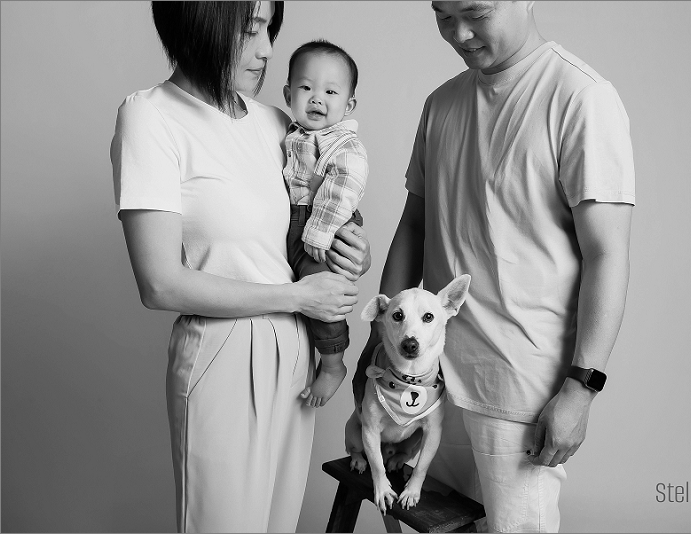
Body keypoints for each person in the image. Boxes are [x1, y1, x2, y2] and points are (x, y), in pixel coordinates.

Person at [353, 1, 634, 532]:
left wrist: (581, 387)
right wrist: (377, 350)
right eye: (442, 14)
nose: (458, 33)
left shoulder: (581, 97)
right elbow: (414, 225)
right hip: (424, 381)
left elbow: (608, 253)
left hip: (518, 387)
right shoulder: (440, 104)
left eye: (475, 12)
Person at [110, 2, 370, 532]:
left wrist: (350, 250)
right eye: (249, 30)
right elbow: (159, 283)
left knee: (278, 525)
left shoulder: (279, 123)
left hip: (299, 349)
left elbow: (303, 233)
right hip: (222, 349)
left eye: (269, 29)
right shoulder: (151, 114)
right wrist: (300, 298)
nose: (268, 49)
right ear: (200, 23)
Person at [282, 40, 369, 408]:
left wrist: (319, 231)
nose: (317, 98)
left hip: (324, 225)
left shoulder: (342, 143)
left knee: (324, 296)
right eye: (306, 88)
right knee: (308, 295)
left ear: (348, 104)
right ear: (288, 94)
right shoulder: (293, 134)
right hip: (298, 222)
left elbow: (343, 187)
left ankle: (333, 364)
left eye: (330, 92)